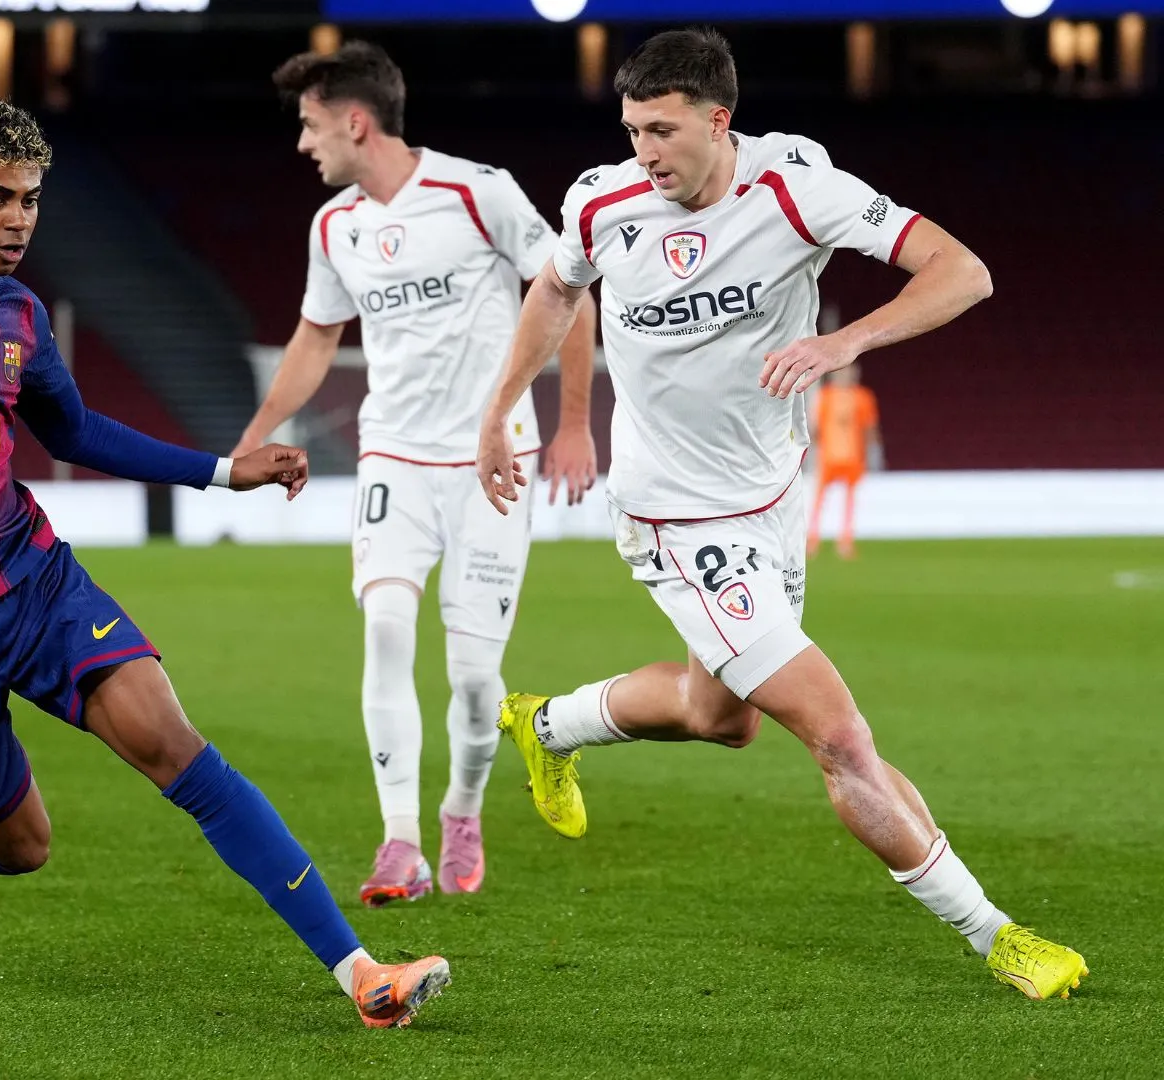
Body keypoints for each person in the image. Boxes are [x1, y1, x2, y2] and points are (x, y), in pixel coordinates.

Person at [0, 99, 450, 1028]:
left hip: (30, 581)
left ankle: (360, 975)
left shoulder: (22, 314)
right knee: (19, 846)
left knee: (176, 746)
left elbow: (71, 429)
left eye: (32, 199)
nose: (20, 219)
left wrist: (223, 472)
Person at [472, 28, 1086, 1000]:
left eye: (664, 131)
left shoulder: (799, 184)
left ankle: (546, 724)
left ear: (721, 120)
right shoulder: (601, 201)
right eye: (633, 130)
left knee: (722, 717)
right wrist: (504, 411)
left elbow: (963, 272)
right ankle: (999, 937)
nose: (646, 152)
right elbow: (554, 289)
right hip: (673, 518)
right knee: (838, 736)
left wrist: (848, 340)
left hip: (771, 498)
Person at [237, 41, 600, 906]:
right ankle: (399, 839)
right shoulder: (336, 227)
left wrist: (578, 423)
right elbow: (316, 337)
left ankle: (461, 810)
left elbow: (569, 289)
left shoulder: (479, 190)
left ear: (356, 122)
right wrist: (255, 433)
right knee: (388, 629)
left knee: (476, 680)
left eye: (311, 125)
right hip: (392, 455)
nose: (303, 144)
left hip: (490, 461)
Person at [808, 364, 882, 558]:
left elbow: (869, 427)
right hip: (828, 457)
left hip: (853, 457)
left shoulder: (863, 397)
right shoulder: (825, 396)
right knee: (819, 500)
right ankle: (812, 539)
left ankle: (845, 540)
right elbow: (815, 427)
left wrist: (874, 453)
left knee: (849, 501)